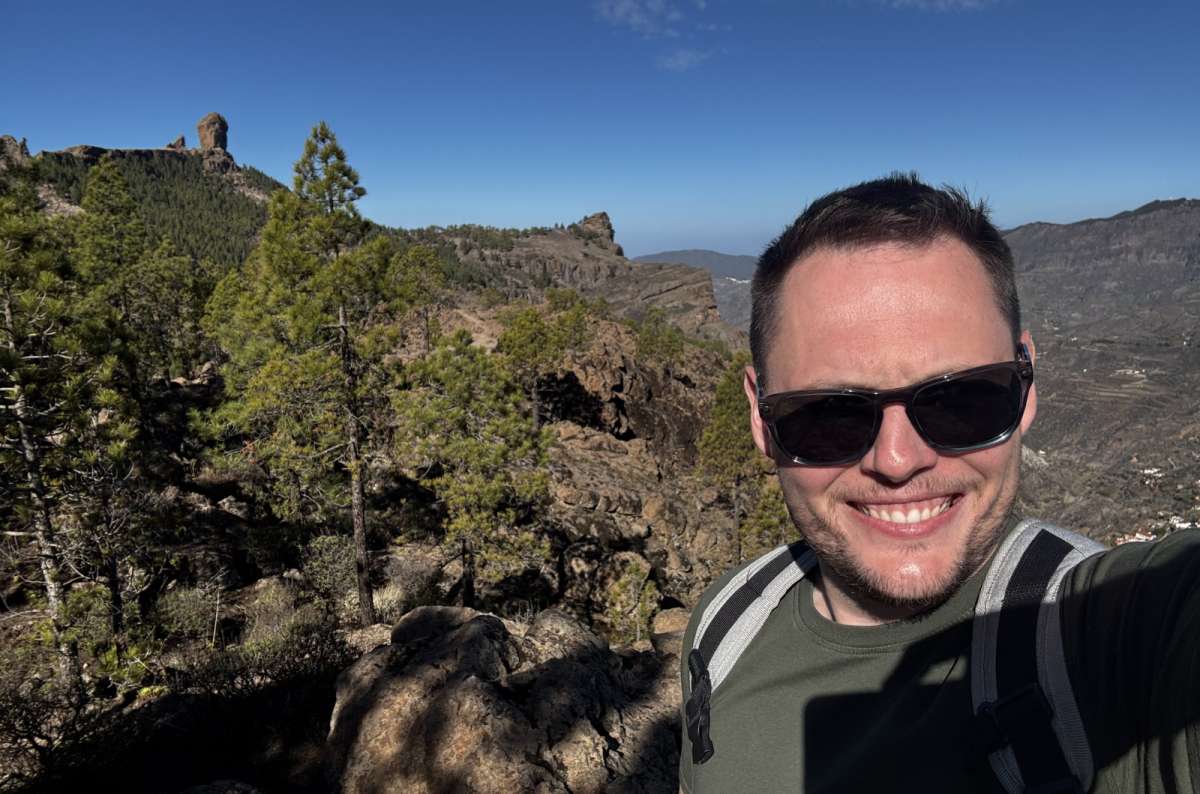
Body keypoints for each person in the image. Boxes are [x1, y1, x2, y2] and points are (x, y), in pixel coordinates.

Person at [678, 173, 1200, 793]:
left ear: (1026, 386)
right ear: (760, 416)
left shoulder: (1105, 641)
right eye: (829, 414)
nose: (898, 461)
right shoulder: (724, 623)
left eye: (961, 401)